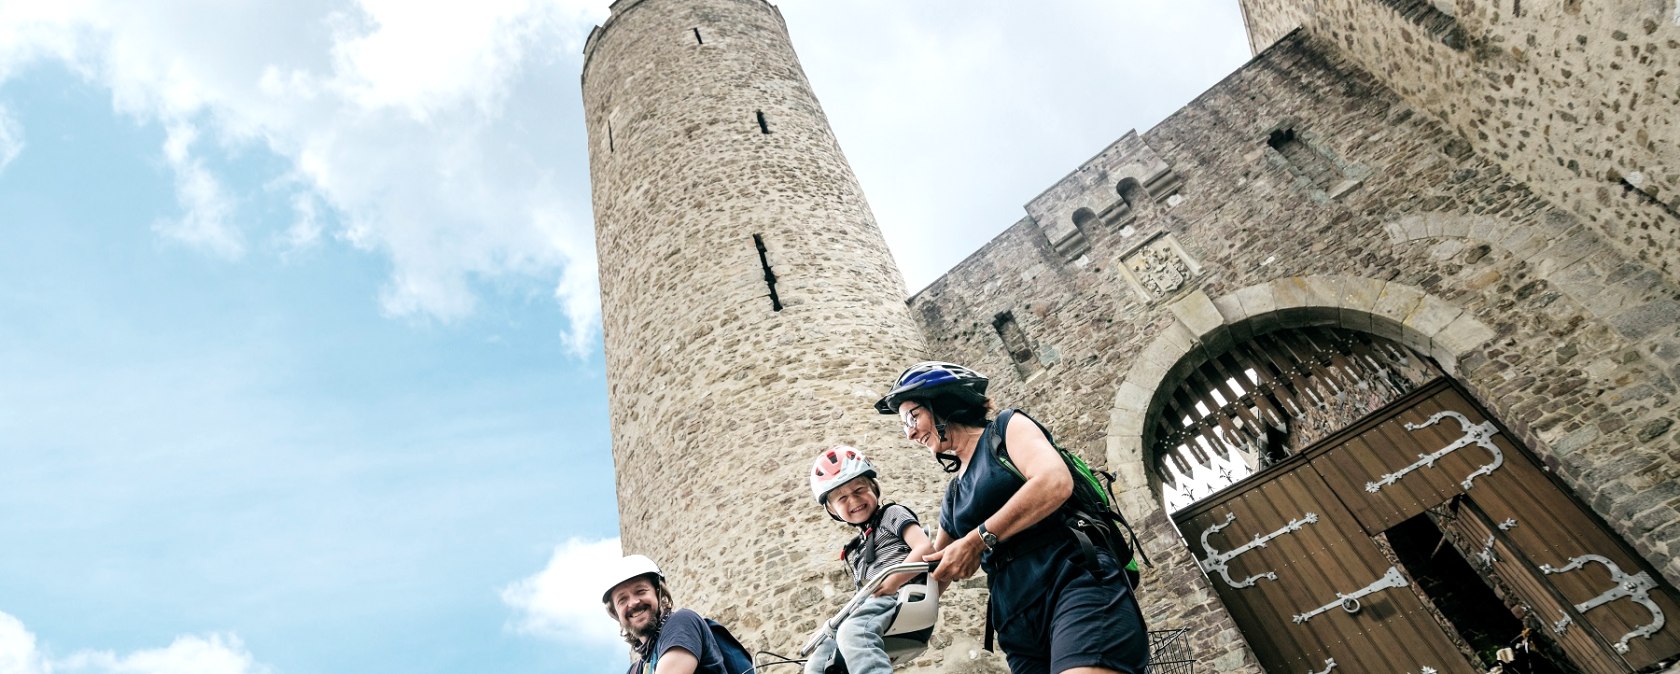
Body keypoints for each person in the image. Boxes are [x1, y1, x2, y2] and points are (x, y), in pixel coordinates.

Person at [874, 361, 1148, 674]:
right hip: (1016, 623)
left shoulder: (1005, 429)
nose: (910, 433)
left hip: (1073, 580)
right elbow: (939, 569)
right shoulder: (954, 493)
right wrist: (880, 620)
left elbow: (1054, 482)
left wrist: (977, 540)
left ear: (942, 401)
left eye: (912, 417)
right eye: (904, 425)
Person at [803, 445, 934, 674]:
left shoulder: (892, 514)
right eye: (842, 498)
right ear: (832, 510)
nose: (853, 500)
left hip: (898, 595)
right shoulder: (857, 550)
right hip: (871, 604)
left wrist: (893, 581)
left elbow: (924, 548)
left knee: (853, 632)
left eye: (859, 489)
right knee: (818, 660)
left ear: (874, 487)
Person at [603, 554, 728, 674]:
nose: (633, 603)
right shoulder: (636, 670)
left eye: (641, 591)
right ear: (615, 612)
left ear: (658, 592)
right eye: (622, 600)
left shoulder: (682, 623)